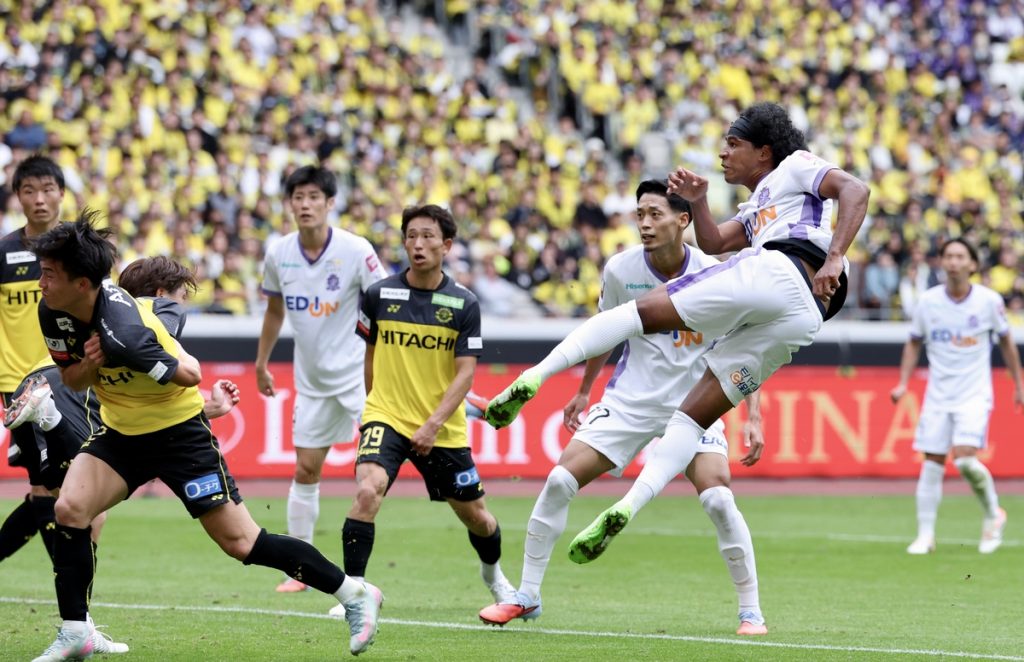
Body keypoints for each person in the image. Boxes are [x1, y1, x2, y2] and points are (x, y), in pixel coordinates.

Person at [484, 102, 869, 595]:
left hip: (789, 270)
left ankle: (535, 376)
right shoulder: (757, 206)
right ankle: (630, 505)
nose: (723, 152)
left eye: (734, 144)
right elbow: (713, 239)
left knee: (631, 315)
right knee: (692, 418)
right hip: (804, 316)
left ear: (764, 151)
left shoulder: (794, 166)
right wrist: (701, 201)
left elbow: (855, 189)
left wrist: (836, 256)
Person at [29, 212, 382, 660]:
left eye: (48, 274)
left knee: (242, 543)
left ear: (82, 283)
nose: (40, 282)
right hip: (120, 434)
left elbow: (190, 373)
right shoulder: (52, 312)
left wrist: (139, 362)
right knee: (70, 508)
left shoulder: (126, 331)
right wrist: (92, 364)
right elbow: (75, 380)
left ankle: (353, 592)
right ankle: (76, 630)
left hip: (179, 437)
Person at [478, 180, 769, 635]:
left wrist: (752, 415)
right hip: (630, 399)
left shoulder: (717, 273)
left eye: (655, 214)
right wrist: (584, 389)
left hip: (694, 405)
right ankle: (527, 596)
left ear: (683, 220)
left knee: (718, 499)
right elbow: (606, 329)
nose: (645, 224)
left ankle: (750, 610)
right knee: (558, 480)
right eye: (640, 214)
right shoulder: (621, 270)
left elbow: (746, 348)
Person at [1, 256, 240, 657]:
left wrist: (209, 408)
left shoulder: (105, 310)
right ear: (163, 293)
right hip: (66, 396)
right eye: (181, 297)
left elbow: (145, 394)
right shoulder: (149, 312)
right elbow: (158, 374)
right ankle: (79, 626)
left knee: (55, 501)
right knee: (83, 508)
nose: (181, 307)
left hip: (37, 381)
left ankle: (81, 626)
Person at [330, 204, 514, 616]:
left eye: (428, 236)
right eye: (411, 235)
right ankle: (354, 594)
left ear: (446, 245)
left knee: (478, 519)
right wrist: (375, 408)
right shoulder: (379, 295)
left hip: (442, 428)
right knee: (366, 491)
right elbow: (370, 359)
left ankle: (495, 577)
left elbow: (465, 375)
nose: (418, 244)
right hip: (387, 417)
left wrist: (433, 424)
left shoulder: (463, 304)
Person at [255, 165, 388, 593]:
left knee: (372, 472)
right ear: (289, 203)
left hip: (357, 379)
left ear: (331, 203)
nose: (305, 204)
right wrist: (261, 363)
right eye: (298, 197)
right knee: (306, 470)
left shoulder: (355, 250)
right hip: (311, 383)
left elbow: (385, 303)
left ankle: (358, 574)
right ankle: (300, 569)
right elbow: (275, 311)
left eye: (314, 197)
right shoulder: (278, 253)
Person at [891, 238, 1024, 555]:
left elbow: (1006, 342)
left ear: (973, 264)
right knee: (932, 461)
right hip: (938, 394)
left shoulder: (989, 301)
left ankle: (994, 514)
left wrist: (1018, 384)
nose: (952, 261)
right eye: (947, 256)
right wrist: (903, 382)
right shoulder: (928, 301)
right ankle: (926, 535)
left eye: (960, 256)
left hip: (974, 393)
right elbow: (913, 341)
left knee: (965, 459)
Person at [0, 155, 67, 581]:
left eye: (47, 189)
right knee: (49, 491)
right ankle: (74, 604)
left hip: (71, 384)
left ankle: (75, 604)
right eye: (29, 190)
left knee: (60, 492)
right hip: (21, 388)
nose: (39, 199)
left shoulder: (80, 249)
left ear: (62, 193)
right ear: (18, 196)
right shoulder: (4, 252)